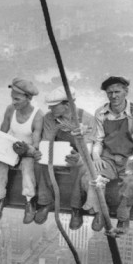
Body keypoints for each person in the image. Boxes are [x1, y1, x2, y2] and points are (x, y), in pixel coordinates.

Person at [70, 76, 133, 234]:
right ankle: (101, 211)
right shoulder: (101, 113)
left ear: (125, 92)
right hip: (109, 158)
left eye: (117, 92)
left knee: (131, 184)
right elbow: (99, 140)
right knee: (91, 178)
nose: (113, 96)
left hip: (132, 159)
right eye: (109, 93)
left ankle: (123, 216)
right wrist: (96, 157)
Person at [33, 85, 95, 224]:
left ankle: (76, 208)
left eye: (54, 106)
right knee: (41, 162)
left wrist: (78, 157)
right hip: (56, 154)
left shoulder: (87, 119)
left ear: (67, 105)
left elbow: (88, 150)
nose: (50, 109)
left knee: (82, 167)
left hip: (78, 156)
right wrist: (41, 151)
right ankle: (46, 202)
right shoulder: (50, 118)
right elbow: (46, 141)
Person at [0, 78, 43, 223]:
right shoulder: (10, 109)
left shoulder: (37, 116)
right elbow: (3, 131)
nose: (13, 102)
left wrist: (27, 149)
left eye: (17, 99)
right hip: (11, 147)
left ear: (29, 98)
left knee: (27, 167)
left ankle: (29, 200)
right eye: (12, 98)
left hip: (27, 151)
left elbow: (37, 144)